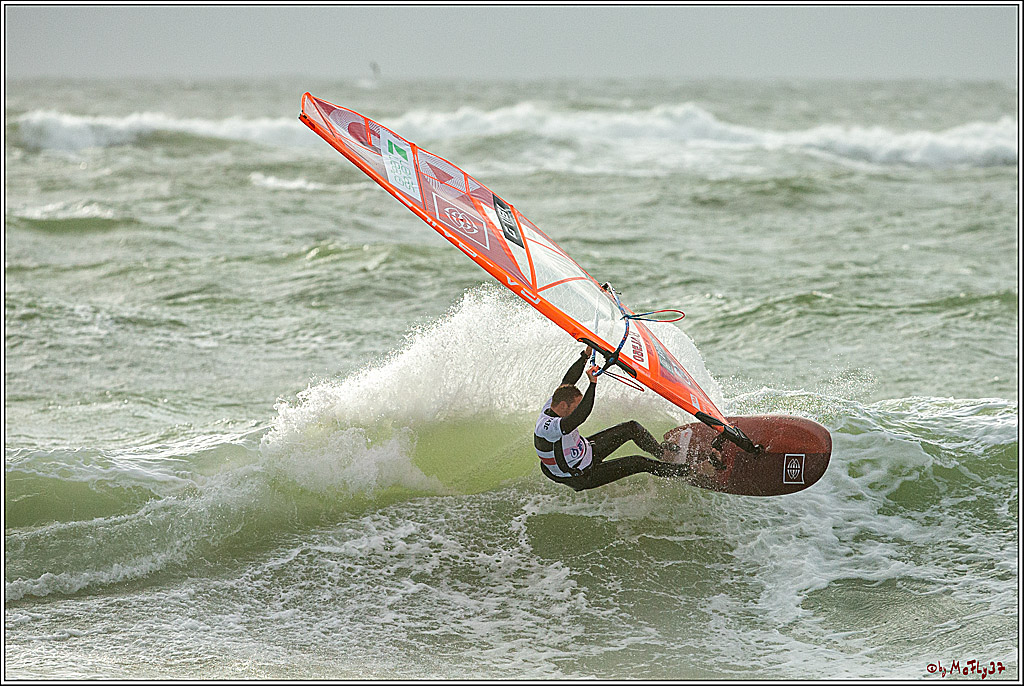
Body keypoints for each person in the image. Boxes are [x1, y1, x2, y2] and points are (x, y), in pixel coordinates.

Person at [535, 347, 691, 491]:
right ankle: (689, 471)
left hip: (585, 451)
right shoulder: (547, 428)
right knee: (639, 462)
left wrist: (586, 354)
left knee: (631, 428)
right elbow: (579, 417)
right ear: (563, 406)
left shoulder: (554, 403)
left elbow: (568, 381)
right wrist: (592, 384)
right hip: (581, 475)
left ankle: (662, 453)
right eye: (575, 406)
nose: (577, 409)